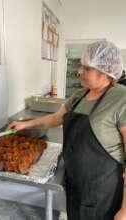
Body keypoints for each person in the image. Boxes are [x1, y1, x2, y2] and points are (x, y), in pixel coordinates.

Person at [8, 41, 126, 220]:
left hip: (102, 191)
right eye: (81, 66)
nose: (80, 71)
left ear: (106, 71)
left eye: (87, 68)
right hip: (74, 183)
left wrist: (125, 210)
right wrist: (25, 124)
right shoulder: (80, 95)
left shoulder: (121, 99)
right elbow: (56, 119)